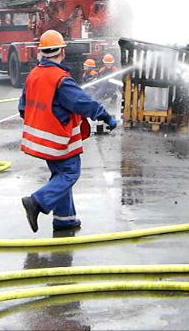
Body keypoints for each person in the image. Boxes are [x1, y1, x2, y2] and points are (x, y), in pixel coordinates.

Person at [20, 30, 117, 232]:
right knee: (70, 173)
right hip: (59, 139)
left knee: (60, 176)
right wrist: (106, 116)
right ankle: (36, 201)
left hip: (42, 138)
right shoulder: (60, 79)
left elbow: (23, 107)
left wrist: (42, 121)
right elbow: (83, 103)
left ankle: (64, 219)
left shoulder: (33, 75)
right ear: (62, 51)